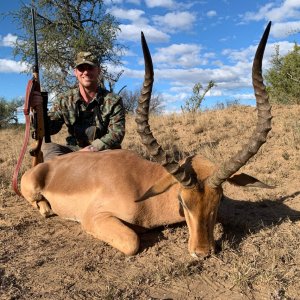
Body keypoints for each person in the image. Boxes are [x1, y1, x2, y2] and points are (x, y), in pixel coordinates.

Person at [34, 51, 125, 161]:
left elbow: (116, 134)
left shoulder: (113, 100)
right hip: (73, 151)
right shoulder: (65, 99)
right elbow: (48, 129)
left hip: (103, 153)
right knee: (47, 148)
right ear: (75, 72)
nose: (86, 72)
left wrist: (91, 149)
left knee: (121, 159)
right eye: (81, 68)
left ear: (98, 71)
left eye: (90, 68)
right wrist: (37, 111)